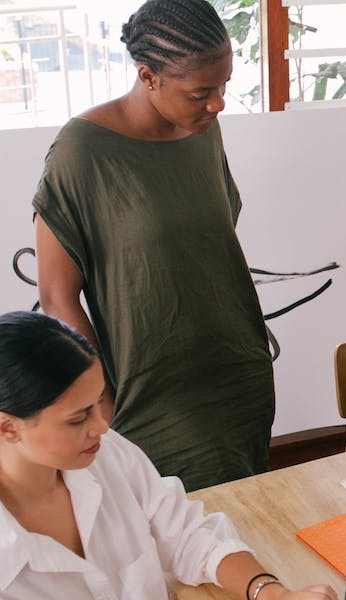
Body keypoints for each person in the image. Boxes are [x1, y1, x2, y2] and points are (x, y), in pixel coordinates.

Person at [33, 0, 274, 491]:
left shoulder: (202, 130)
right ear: (148, 77)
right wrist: (100, 399)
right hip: (152, 392)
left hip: (237, 371)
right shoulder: (82, 152)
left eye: (224, 85)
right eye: (201, 92)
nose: (218, 103)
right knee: (174, 535)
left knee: (246, 519)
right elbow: (58, 297)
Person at [0, 311, 336, 599]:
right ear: (7, 428)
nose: (102, 427)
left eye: (97, 404)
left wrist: (270, 591)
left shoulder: (106, 454)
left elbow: (187, 534)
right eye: (78, 418)